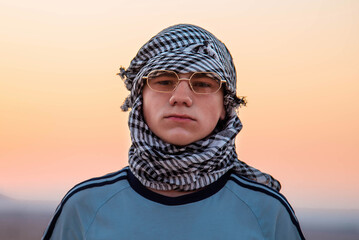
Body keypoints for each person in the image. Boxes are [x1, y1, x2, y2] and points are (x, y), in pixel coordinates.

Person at [42, 24, 305, 240]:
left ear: (226, 105)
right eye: (164, 81)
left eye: (203, 83)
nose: (181, 97)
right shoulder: (84, 208)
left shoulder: (267, 212)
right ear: (139, 98)